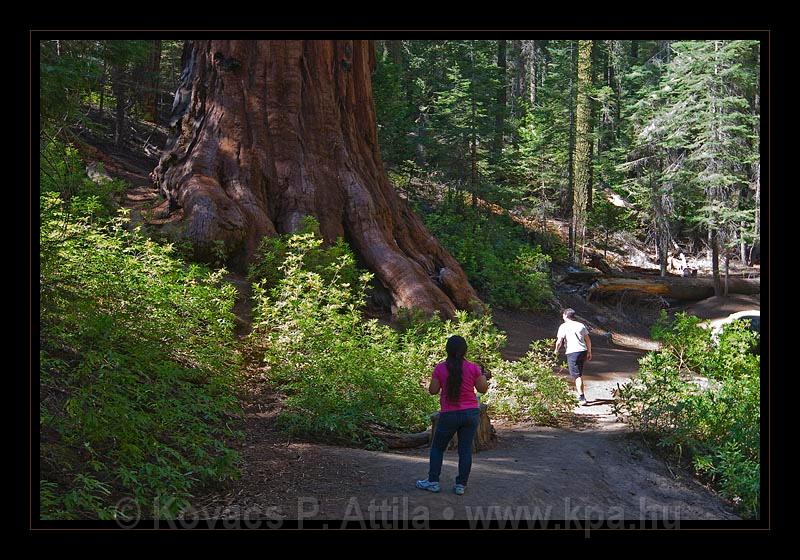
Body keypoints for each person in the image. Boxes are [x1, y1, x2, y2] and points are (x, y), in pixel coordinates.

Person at [416, 335, 491, 495]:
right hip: (470, 413)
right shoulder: (473, 368)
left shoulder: (440, 368)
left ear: (447, 349)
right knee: (465, 450)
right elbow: (483, 389)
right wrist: (483, 377)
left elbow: (432, 390)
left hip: (449, 414)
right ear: (465, 350)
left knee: (437, 448)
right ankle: (460, 485)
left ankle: (433, 482)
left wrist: (437, 379)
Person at [554, 308, 592, 406]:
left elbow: (559, 341)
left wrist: (556, 351)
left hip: (573, 352)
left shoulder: (563, 326)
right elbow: (587, 339)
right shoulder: (580, 325)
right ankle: (581, 394)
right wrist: (589, 352)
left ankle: (582, 397)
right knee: (578, 373)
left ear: (566, 316)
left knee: (577, 376)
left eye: (563, 315)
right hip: (582, 351)